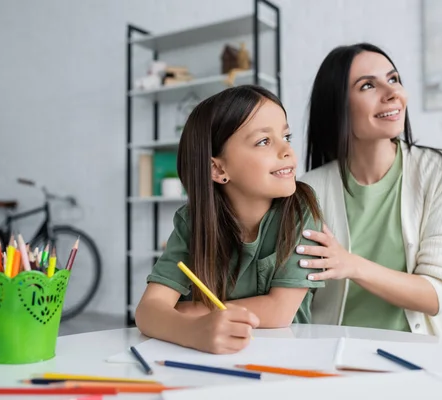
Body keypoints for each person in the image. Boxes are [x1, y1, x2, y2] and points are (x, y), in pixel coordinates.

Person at [297, 43, 442, 338]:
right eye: (368, 86)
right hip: (329, 354)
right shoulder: (308, 190)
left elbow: (435, 295)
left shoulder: (440, 171)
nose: (393, 94)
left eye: (393, 79)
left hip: (414, 356)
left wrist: (351, 265)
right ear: (338, 106)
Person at [135, 85, 325, 354]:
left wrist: (190, 311)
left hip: (287, 356)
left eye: (286, 136)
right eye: (264, 141)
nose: (287, 151)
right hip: (209, 360)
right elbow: (147, 311)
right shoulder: (193, 221)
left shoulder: (300, 209)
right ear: (218, 168)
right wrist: (193, 332)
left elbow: (280, 311)